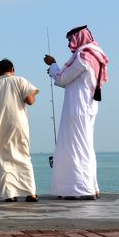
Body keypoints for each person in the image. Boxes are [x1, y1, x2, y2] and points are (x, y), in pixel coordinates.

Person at [44, 25, 109, 199]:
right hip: (89, 105)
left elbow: (62, 78)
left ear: (78, 37)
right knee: (86, 146)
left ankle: (78, 189)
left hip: (77, 105)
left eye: (70, 40)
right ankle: (91, 186)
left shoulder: (83, 56)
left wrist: (53, 65)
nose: (69, 44)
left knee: (75, 146)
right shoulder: (97, 55)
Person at [0, 58, 39, 202]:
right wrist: (33, 95)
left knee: (3, 158)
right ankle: (30, 193)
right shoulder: (19, 80)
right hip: (18, 124)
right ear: (12, 70)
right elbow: (30, 101)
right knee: (23, 154)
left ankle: (9, 194)